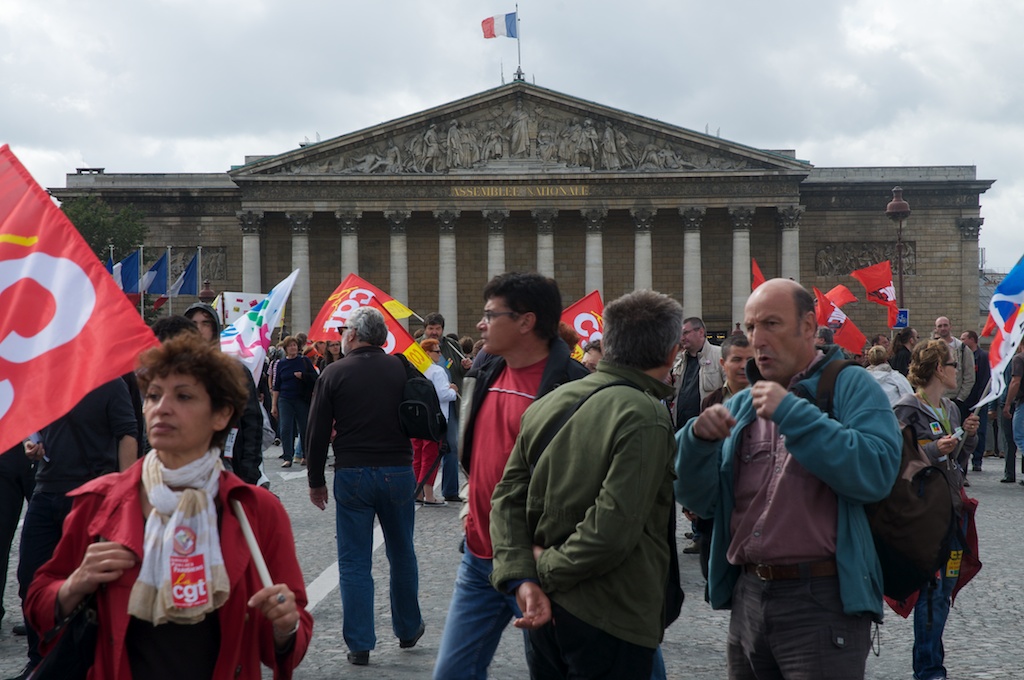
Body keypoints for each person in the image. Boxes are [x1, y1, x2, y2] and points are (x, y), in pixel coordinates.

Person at [24, 333, 311, 678]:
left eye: (184, 396)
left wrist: (285, 627)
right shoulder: (99, 502)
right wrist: (75, 584)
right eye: (154, 396)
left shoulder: (254, 510)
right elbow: (39, 603)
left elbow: (285, 641)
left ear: (221, 415)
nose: (162, 407)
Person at [674, 278, 902, 679]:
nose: (756, 339)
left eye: (771, 324)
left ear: (809, 327)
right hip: (748, 597)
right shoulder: (743, 403)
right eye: (749, 326)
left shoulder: (851, 386)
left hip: (821, 600)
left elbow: (876, 473)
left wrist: (794, 414)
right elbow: (703, 502)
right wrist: (696, 444)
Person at [489, 289, 682, 679]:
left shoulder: (548, 403)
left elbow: (505, 501)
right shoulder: (646, 415)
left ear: (607, 343)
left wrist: (524, 579)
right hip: (610, 614)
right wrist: (543, 572)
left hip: (542, 613)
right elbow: (611, 529)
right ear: (671, 352)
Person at [433, 272, 589, 680]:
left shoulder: (578, 391)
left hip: (539, 565)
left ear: (525, 322)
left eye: (490, 315)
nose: (480, 324)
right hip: (479, 559)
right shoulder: (484, 375)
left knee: (573, 667)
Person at [305, 306, 425, 666]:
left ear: (354, 335)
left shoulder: (334, 372)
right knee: (402, 552)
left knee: (354, 561)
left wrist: (315, 481)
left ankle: (360, 643)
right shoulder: (400, 367)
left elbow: (316, 432)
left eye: (344, 330)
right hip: (399, 471)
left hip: (353, 471)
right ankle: (408, 628)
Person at [11, 380, 137, 680]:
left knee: (87, 584)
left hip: (91, 494)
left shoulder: (110, 383)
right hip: (45, 491)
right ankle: (38, 659)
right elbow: (37, 435)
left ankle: (82, 659)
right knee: (31, 576)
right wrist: (33, 448)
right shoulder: (49, 381)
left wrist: (126, 493)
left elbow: (127, 434)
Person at [893, 339, 980, 680]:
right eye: (954, 365)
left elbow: (957, 459)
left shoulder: (952, 409)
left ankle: (932, 666)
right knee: (930, 594)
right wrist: (931, 452)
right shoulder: (907, 409)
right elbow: (896, 462)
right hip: (924, 518)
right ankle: (929, 671)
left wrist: (967, 437)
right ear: (939, 369)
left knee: (943, 594)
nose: (958, 371)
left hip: (953, 513)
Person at [184, 303, 265, 485]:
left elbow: (252, 422)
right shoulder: (175, 372)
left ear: (215, 328)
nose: (199, 329)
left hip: (228, 465)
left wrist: (249, 472)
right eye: (193, 323)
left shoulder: (235, 371)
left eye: (205, 323)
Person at [422, 313, 472, 503]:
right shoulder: (417, 346)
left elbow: (460, 370)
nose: (434, 332)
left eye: (438, 328)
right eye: (431, 328)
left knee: (451, 445)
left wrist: (466, 366)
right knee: (424, 448)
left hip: (449, 404)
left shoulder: (452, 345)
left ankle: (450, 489)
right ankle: (421, 490)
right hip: (427, 404)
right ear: (425, 329)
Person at [413, 337, 458, 506]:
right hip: (435, 419)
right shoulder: (437, 371)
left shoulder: (415, 369)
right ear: (427, 353)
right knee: (430, 456)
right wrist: (453, 390)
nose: (440, 354)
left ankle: (418, 492)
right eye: (437, 351)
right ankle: (429, 495)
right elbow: (443, 395)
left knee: (418, 455)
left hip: (417, 419)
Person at [669, 316, 725, 431]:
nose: (681, 338)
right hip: (681, 430)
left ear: (700, 332)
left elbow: (731, 390)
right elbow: (671, 396)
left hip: (710, 430)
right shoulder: (679, 363)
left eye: (685, 333)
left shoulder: (719, 356)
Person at [270, 336, 317, 468]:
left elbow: (315, 378)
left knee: (304, 428)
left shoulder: (304, 361)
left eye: (295, 345)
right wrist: (274, 405)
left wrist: (303, 376)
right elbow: (277, 385)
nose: (293, 348)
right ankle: (287, 457)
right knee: (285, 428)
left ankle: (305, 456)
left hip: (301, 398)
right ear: (285, 348)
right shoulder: (281, 364)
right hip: (285, 399)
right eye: (290, 346)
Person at [933, 316, 975, 420]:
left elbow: (969, 377)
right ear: (936, 329)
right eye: (940, 326)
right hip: (935, 400)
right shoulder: (931, 349)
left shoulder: (962, 349)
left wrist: (960, 399)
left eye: (945, 325)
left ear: (950, 327)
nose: (943, 328)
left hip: (954, 400)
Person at [960, 330, 991, 470]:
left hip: (979, 400)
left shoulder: (983, 356)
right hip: (965, 399)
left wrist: (981, 399)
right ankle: (964, 459)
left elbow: (984, 379)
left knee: (980, 431)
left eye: (964, 338)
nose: (962, 341)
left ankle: (977, 460)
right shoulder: (963, 355)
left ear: (972, 339)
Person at [1002, 342, 1024, 483]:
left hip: (1022, 402)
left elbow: (1015, 382)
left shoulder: (1019, 358)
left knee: (1019, 437)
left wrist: (1008, 403)